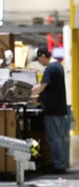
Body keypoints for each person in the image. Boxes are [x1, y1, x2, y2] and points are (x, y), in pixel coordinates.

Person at [32, 46, 67, 174]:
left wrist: (26, 92)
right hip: (58, 108)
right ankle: (59, 163)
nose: (39, 62)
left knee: (54, 138)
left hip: (53, 109)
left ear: (42, 56)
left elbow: (41, 87)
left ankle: (58, 166)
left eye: (38, 59)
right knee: (57, 137)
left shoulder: (51, 68)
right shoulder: (58, 66)